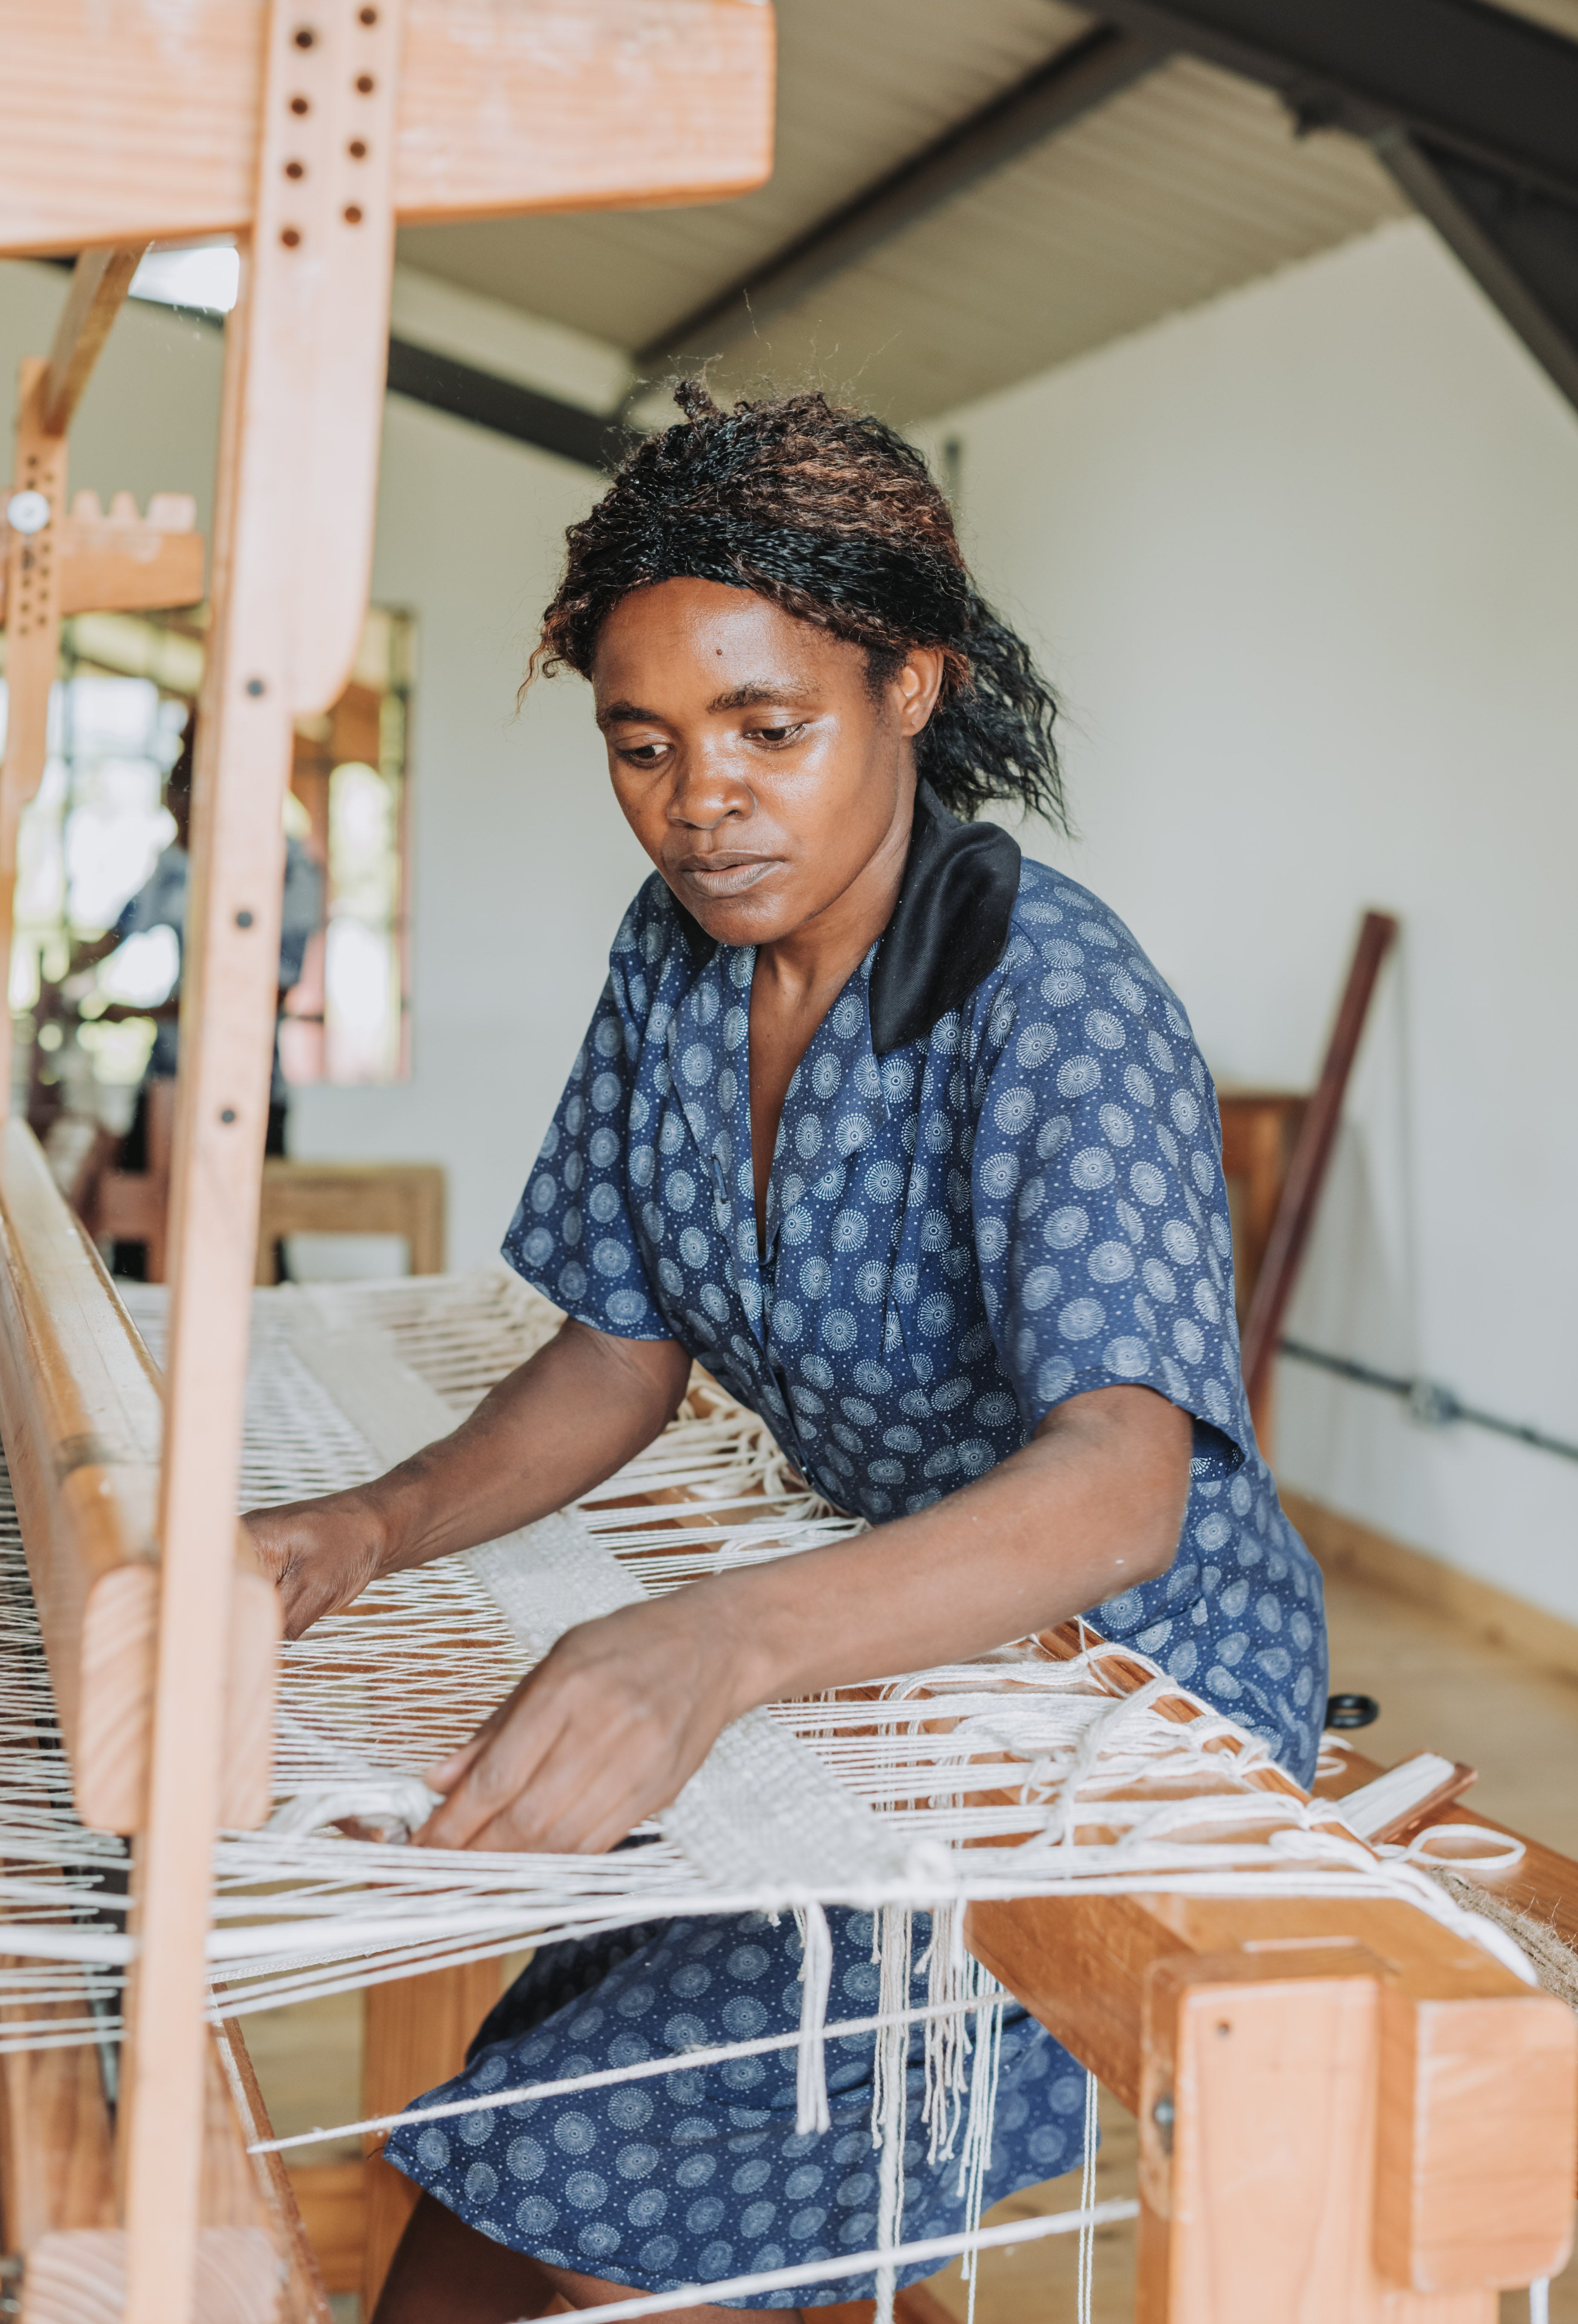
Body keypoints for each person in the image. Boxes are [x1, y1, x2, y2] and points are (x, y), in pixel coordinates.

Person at [246, 384, 1328, 2323]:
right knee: (578, 2080)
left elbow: (1118, 1481)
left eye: (769, 728)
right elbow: (611, 1355)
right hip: (880, 1665)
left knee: (548, 2186)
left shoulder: (1049, 1001)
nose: (700, 799)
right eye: (642, 745)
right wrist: (355, 1533)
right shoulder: (672, 963)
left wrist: (710, 1642)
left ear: (909, 686)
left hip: (1108, 1704)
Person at [65, 714, 324, 1272]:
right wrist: (61, 969)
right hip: (167, 1081)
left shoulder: (290, 870)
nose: (173, 807)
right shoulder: (178, 863)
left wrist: (138, 1010)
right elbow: (112, 935)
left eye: (184, 792)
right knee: (138, 1245)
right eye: (172, 792)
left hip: (249, 1089)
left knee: (252, 1248)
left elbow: (265, 997)